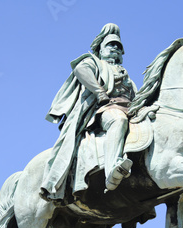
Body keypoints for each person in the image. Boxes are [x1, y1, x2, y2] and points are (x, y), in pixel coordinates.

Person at [40, 23, 136, 202]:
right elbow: (80, 70)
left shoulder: (125, 74)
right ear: (100, 49)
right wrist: (100, 92)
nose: (115, 48)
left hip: (130, 110)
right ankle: (112, 169)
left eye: (118, 47)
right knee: (118, 121)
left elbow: (136, 96)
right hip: (105, 110)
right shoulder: (93, 62)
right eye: (110, 45)